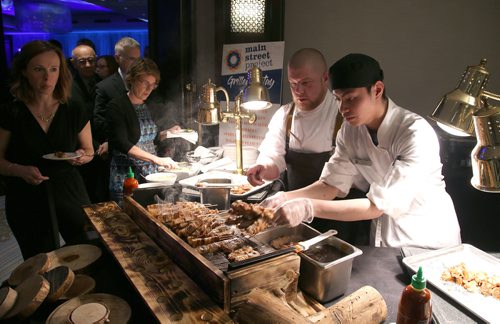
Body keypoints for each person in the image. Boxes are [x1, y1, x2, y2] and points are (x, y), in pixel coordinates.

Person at [264, 53, 461, 249]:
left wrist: (308, 207)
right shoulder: (351, 131)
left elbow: (377, 206)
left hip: (426, 239)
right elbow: (330, 186)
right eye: (338, 99)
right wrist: (284, 198)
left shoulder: (414, 133)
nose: (343, 108)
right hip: (385, 240)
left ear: (377, 90)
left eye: (350, 98)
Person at [0, 40, 94, 259]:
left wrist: (82, 157)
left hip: (69, 190)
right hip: (26, 196)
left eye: (53, 69)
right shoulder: (11, 111)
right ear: (24, 72)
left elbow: (89, 150)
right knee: (39, 261)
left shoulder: (73, 108)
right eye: (38, 69)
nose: (47, 77)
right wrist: (19, 170)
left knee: (85, 253)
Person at [246, 48, 342, 191]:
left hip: (333, 207)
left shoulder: (343, 115)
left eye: (305, 83)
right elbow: (273, 159)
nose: (298, 91)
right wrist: (263, 168)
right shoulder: (284, 115)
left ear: (325, 78)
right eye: (293, 83)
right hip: (292, 205)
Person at [106, 58, 178, 202]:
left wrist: (168, 133)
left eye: (152, 85)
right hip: (127, 177)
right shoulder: (117, 106)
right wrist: (156, 159)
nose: (149, 89)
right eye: (145, 83)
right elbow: (122, 143)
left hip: (150, 174)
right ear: (132, 79)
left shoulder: (148, 105)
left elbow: (152, 138)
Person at [70, 44, 109, 203]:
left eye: (91, 61)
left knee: (104, 190)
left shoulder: (104, 84)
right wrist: (92, 145)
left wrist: (107, 141)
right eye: (82, 61)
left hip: (105, 144)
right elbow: (73, 122)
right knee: (87, 191)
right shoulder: (67, 88)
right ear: (74, 63)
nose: (87, 65)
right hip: (80, 147)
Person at [94, 36, 141, 145]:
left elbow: (155, 109)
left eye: (138, 59)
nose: (136, 64)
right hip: (118, 146)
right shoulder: (104, 87)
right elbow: (100, 123)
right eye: (131, 59)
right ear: (117, 58)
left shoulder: (144, 83)